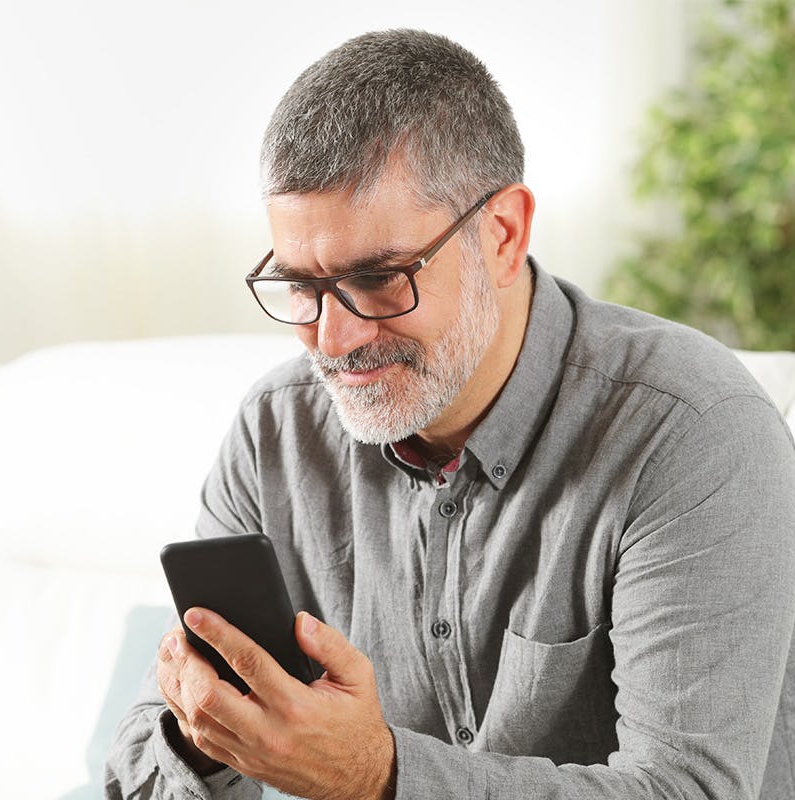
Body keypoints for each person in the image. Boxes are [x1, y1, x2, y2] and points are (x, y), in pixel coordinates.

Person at [104, 28, 795, 800]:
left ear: (502, 235)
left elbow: (690, 790)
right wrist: (209, 737)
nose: (334, 340)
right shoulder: (276, 433)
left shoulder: (692, 429)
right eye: (299, 285)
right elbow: (132, 766)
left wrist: (380, 775)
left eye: (378, 278)